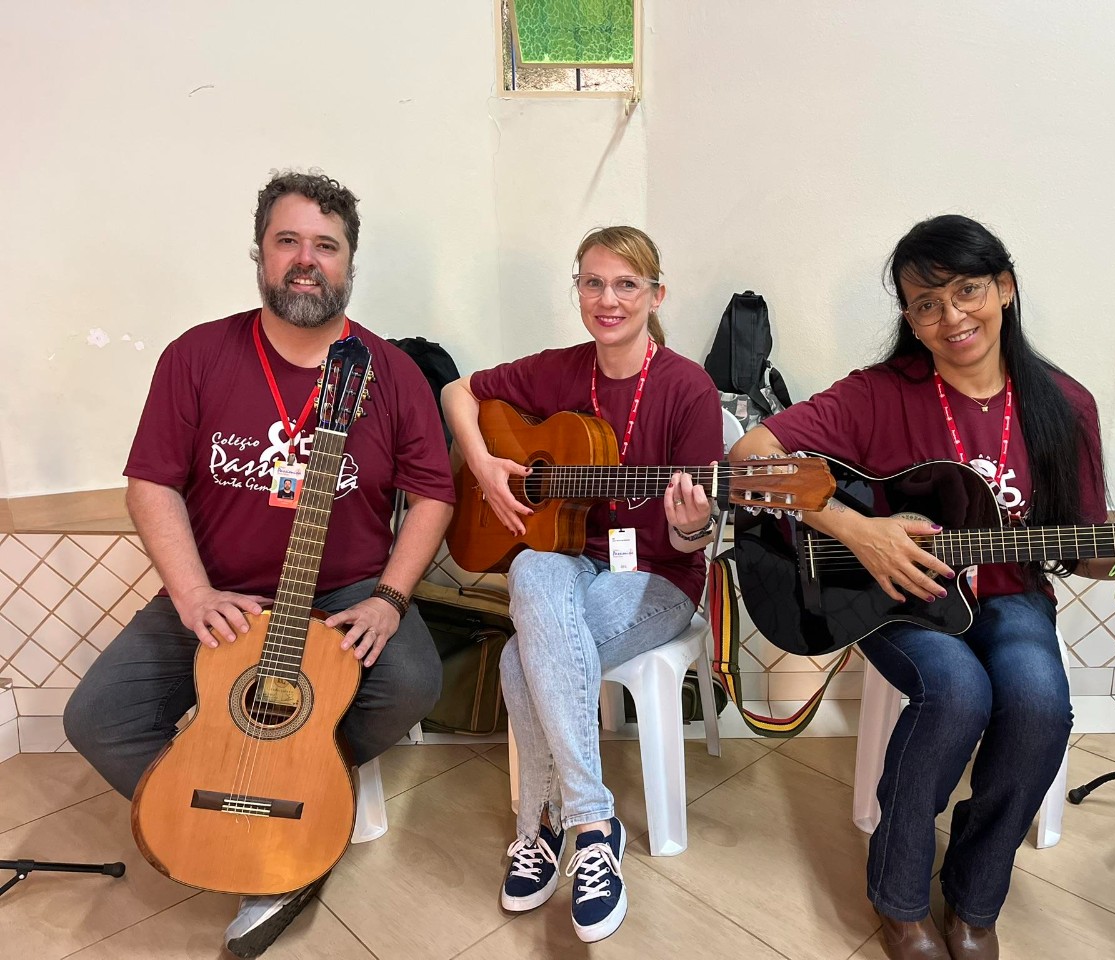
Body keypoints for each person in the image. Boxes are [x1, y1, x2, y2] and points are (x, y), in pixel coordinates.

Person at [730, 214, 1115, 960]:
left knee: (1039, 705)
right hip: (900, 599)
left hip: (1011, 597)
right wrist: (860, 531)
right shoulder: (879, 394)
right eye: (926, 303)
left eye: (967, 291)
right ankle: (899, 896)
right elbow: (751, 456)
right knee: (957, 694)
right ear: (909, 318)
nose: (951, 317)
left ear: (1004, 287)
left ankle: (975, 897)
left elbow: (1082, 546)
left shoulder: (1064, 405)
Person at [63, 171, 456, 959]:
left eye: (326, 245)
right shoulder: (198, 355)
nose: (306, 260)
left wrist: (388, 597)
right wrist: (192, 593)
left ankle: (306, 799)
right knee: (96, 718)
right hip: (222, 594)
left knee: (413, 680)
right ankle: (218, 810)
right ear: (260, 253)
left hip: (342, 589)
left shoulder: (389, 371)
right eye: (288, 241)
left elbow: (433, 495)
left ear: (349, 262)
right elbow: (150, 484)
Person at [441, 226, 722, 943]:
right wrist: (484, 467)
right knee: (531, 564)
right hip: (571, 561)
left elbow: (695, 542)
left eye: (626, 284)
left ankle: (540, 827)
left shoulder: (687, 387)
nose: (608, 299)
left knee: (519, 657)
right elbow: (456, 391)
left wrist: (690, 526)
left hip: (658, 576)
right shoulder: (560, 370)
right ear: (578, 290)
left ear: (656, 295)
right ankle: (595, 826)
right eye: (593, 283)